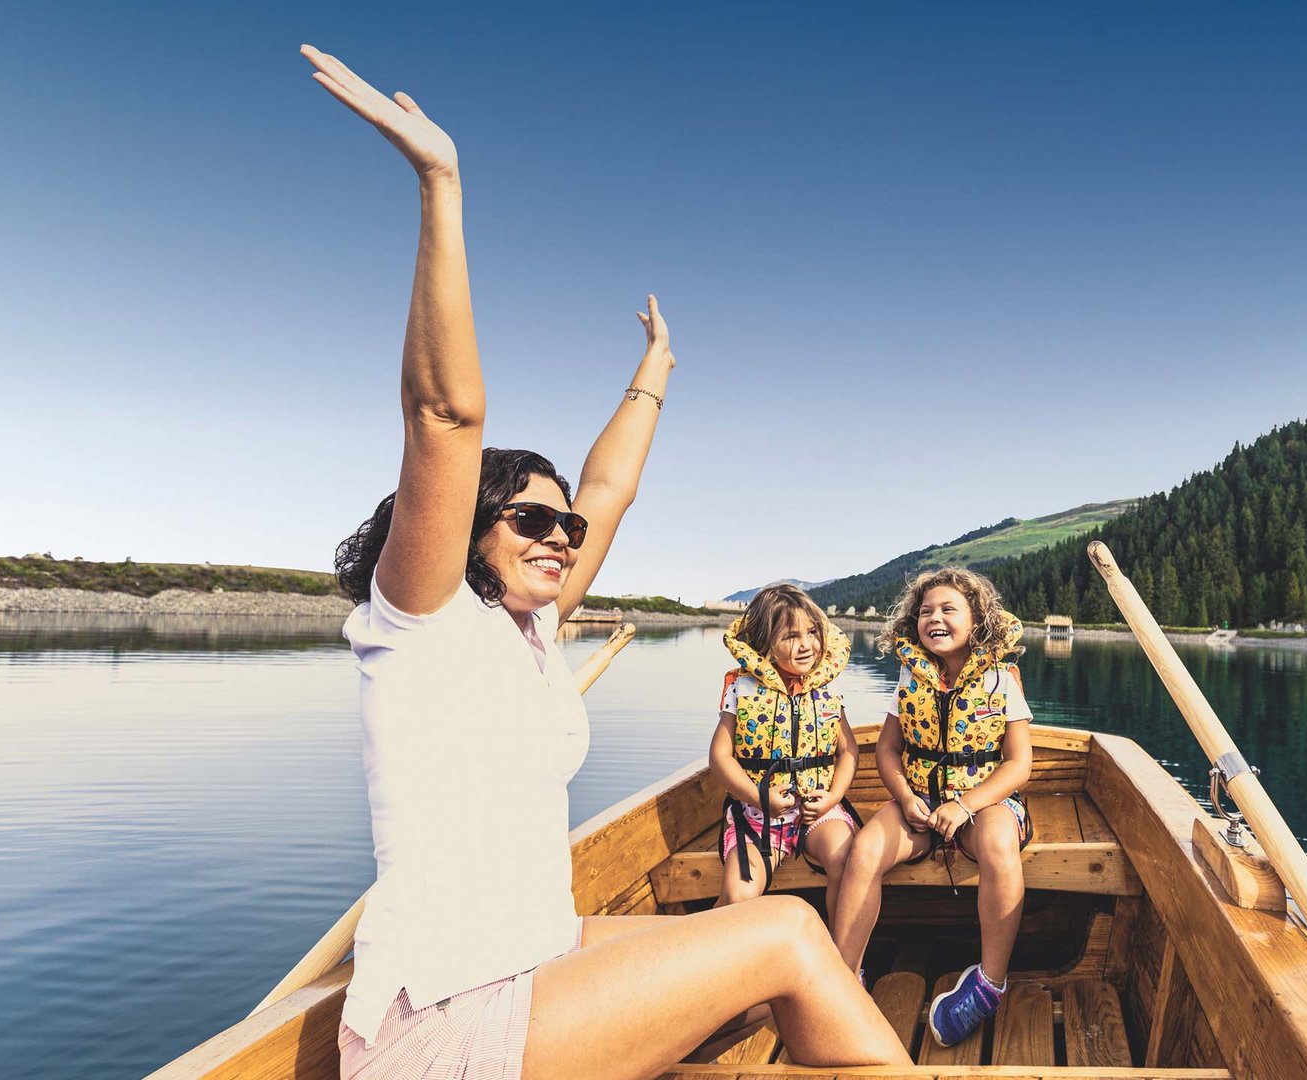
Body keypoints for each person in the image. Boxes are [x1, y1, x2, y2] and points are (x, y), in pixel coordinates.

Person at [302, 45, 908, 1080]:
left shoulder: (527, 629)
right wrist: (441, 185)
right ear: (463, 530)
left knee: (777, 975)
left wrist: (656, 371)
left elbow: (608, 491)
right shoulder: (422, 621)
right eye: (529, 521)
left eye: (563, 528)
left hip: (535, 959)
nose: (559, 537)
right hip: (443, 1018)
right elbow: (445, 415)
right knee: (791, 940)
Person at [832, 567, 1034, 1047]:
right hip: (918, 801)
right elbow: (886, 750)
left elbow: (1018, 764)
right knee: (864, 850)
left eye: (948, 610)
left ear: (977, 618)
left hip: (984, 801)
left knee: (999, 844)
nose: (935, 618)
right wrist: (906, 798)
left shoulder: (1002, 678)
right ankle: (840, 980)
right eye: (925, 612)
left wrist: (965, 805)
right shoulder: (910, 674)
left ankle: (988, 985)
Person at [708, 585, 860, 913]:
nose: (806, 645)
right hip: (757, 812)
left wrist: (832, 798)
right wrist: (758, 797)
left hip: (817, 810)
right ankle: (702, 943)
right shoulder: (742, 687)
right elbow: (720, 757)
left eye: (813, 632)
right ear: (764, 642)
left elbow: (848, 752)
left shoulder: (826, 687)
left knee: (846, 858)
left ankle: (839, 954)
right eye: (791, 636)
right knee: (738, 894)